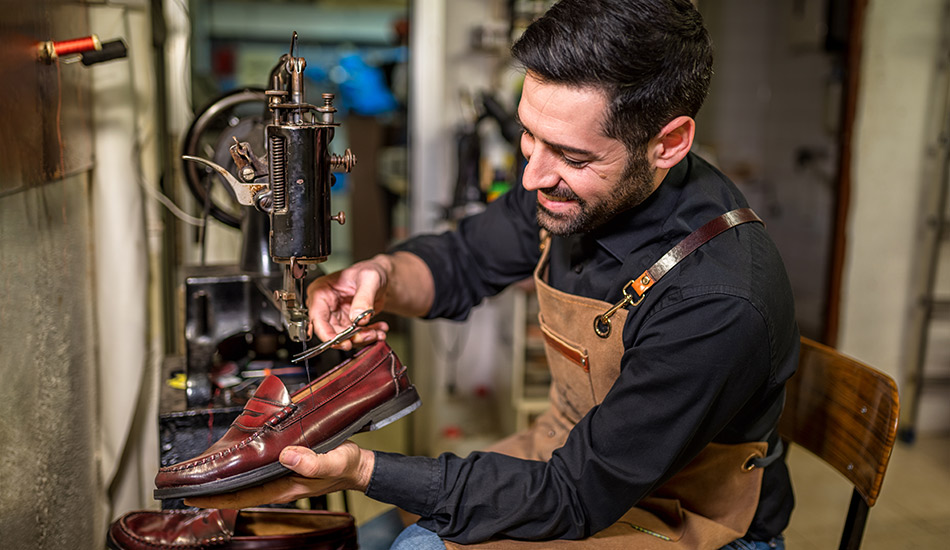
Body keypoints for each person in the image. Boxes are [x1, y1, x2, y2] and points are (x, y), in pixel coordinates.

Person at [186, 1, 799, 549]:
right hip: (574, 460)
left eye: (571, 155)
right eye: (529, 137)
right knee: (370, 536)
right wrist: (377, 276)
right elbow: (463, 262)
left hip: (681, 516)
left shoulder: (718, 297)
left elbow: (573, 495)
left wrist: (362, 471)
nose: (531, 177)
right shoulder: (575, 191)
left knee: (414, 545)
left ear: (668, 143)